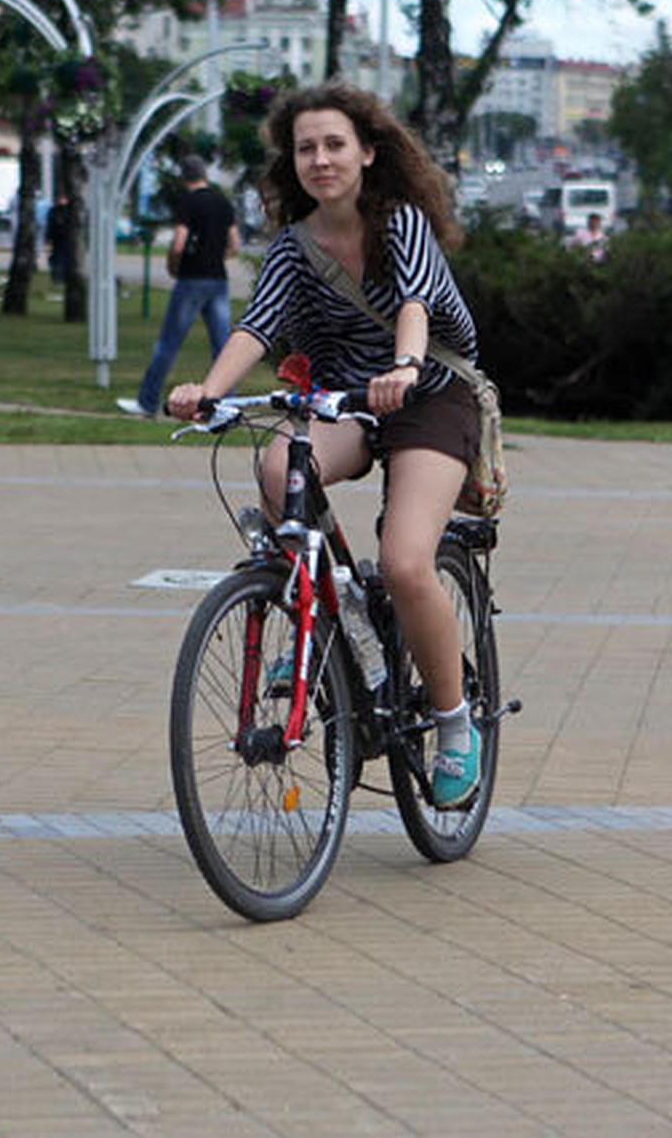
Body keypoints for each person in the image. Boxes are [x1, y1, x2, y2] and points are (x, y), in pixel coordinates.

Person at [167, 80, 484, 809]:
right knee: (280, 466)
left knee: (406, 562)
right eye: (305, 148)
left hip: (430, 393)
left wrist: (404, 367)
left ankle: (454, 722)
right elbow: (256, 326)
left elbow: (413, 304)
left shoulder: (401, 223)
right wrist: (209, 390)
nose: (320, 159)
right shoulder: (293, 247)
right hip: (345, 399)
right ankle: (321, 613)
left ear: (368, 153)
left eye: (334, 144)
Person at [116, 155, 240, 417]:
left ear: (184, 178)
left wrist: (174, 266)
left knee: (168, 343)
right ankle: (228, 403)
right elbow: (235, 244)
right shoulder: (222, 202)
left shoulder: (188, 202)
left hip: (191, 279)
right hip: (218, 279)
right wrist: (216, 257)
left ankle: (147, 401)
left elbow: (178, 244)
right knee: (222, 345)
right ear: (204, 174)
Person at [46, 192, 70, 284]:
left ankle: (62, 277)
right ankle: (57, 277)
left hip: (65, 238)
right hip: (57, 239)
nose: (62, 201)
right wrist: (48, 237)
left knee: (63, 259)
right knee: (57, 258)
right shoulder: (54, 210)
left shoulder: (67, 210)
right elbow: (50, 225)